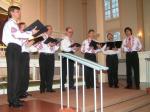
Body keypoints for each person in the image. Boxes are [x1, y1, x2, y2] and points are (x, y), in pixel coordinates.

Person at [2, 6, 38, 108]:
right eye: (17, 12)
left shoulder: (13, 24)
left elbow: (17, 36)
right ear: (12, 13)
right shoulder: (11, 23)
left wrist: (28, 37)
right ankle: (12, 101)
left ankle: (15, 98)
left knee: (16, 75)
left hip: (16, 49)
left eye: (19, 12)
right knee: (14, 75)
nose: (19, 13)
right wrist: (30, 32)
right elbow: (17, 35)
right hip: (13, 49)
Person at [38, 25, 59, 93]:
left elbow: (55, 48)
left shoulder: (53, 37)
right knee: (43, 72)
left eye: (51, 29)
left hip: (51, 56)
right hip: (43, 55)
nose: (50, 30)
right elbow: (39, 46)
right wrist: (48, 44)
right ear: (45, 30)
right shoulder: (41, 37)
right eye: (49, 29)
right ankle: (42, 88)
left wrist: (56, 45)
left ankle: (49, 88)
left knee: (50, 72)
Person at [18, 22, 34, 98]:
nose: (26, 28)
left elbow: (29, 48)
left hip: (26, 55)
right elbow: (20, 46)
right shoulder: (18, 36)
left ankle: (24, 91)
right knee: (21, 74)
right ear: (19, 28)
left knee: (26, 74)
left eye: (26, 27)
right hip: (20, 55)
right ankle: (20, 92)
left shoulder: (27, 36)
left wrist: (32, 43)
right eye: (24, 27)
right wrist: (27, 43)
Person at [60, 27, 79, 91]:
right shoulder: (63, 39)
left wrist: (75, 49)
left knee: (71, 71)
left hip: (71, 55)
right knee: (64, 71)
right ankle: (62, 86)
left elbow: (72, 50)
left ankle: (71, 85)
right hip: (65, 55)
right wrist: (72, 48)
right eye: (69, 32)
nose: (71, 33)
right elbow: (64, 48)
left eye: (72, 32)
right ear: (66, 32)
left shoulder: (72, 40)